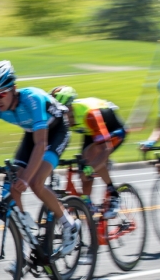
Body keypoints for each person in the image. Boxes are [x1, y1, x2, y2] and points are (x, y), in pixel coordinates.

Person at [0, 60, 80, 256]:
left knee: (35, 182)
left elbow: (41, 144)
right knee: (13, 184)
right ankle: (26, 245)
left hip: (56, 132)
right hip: (33, 133)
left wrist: (26, 179)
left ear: (14, 89)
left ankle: (69, 225)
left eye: (1, 94)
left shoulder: (32, 100)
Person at [49, 86, 127, 219]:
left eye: (63, 113)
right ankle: (87, 203)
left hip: (113, 129)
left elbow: (105, 148)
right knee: (83, 165)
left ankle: (114, 195)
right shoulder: (61, 117)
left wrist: (91, 169)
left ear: (71, 108)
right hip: (91, 132)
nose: (60, 117)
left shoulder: (89, 114)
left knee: (93, 159)